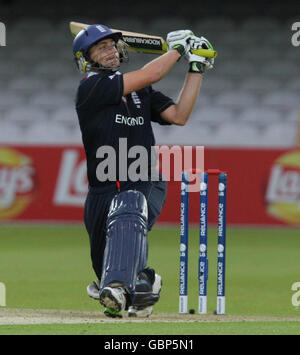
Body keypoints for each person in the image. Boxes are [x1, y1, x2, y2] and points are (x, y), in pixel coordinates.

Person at [72, 24, 214, 318]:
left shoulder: (141, 92)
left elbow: (179, 115)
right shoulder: (92, 87)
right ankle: (144, 282)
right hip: (102, 188)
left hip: (144, 179)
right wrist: (179, 48)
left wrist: (196, 66)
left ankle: (123, 286)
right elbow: (152, 72)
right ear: (86, 59)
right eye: (101, 48)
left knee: (129, 208)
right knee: (107, 267)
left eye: (112, 44)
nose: (110, 50)